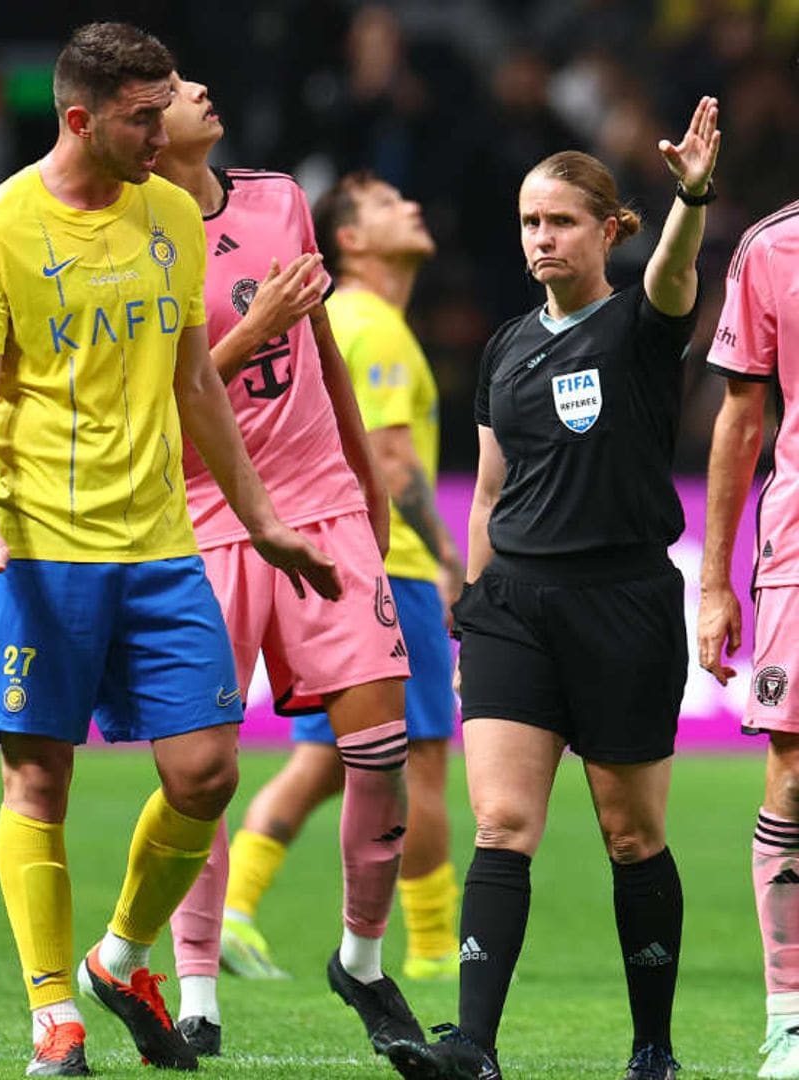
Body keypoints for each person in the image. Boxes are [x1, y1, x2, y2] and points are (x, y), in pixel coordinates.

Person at [0, 25, 342, 1078]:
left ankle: (119, 957)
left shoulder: (168, 214)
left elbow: (196, 376)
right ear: (80, 119)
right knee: (40, 785)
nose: (165, 134)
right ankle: (52, 1019)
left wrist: (259, 518)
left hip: (161, 542)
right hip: (39, 547)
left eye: (167, 110)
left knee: (206, 772)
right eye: (143, 117)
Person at [388, 97, 721, 1080]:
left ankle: (652, 1047)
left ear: (609, 228)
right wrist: (473, 608)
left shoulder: (640, 326)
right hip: (514, 610)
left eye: (562, 220)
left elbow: (674, 270)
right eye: (530, 221)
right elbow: (490, 491)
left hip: (622, 602)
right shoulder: (504, 349)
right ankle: (473, 1047)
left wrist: (690, 197)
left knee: (631, 835)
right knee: (502, 824)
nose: (541, 237)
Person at [154, 74, 426, 1062]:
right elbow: (158, 399)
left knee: (383, 746)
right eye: (178, 89)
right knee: (200, 775)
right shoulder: (136, 237)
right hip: (201, 521)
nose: (202, 91)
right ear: (146, 126)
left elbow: (323, 353)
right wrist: (252, 325)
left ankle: (360, 957)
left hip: (320, 504)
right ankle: (195, 995)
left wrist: (365, 474)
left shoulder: (278, 200)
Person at [215, 170, 465, 987]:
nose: (415, 204)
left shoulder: (338, 318)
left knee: (327, 765)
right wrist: (451, 561)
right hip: (385, 565)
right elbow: (391, 458)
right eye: (392, 203)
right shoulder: (377, 327)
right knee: (418, 761)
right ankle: (433, 951)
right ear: (348, 240)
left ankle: (237, 912)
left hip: (311, 546)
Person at [698, 194, 799, 1079]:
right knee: (794, 767)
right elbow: (741, 418)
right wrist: (713, 580)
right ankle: (789, 1019)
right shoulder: (771, 248)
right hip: (798, 549)